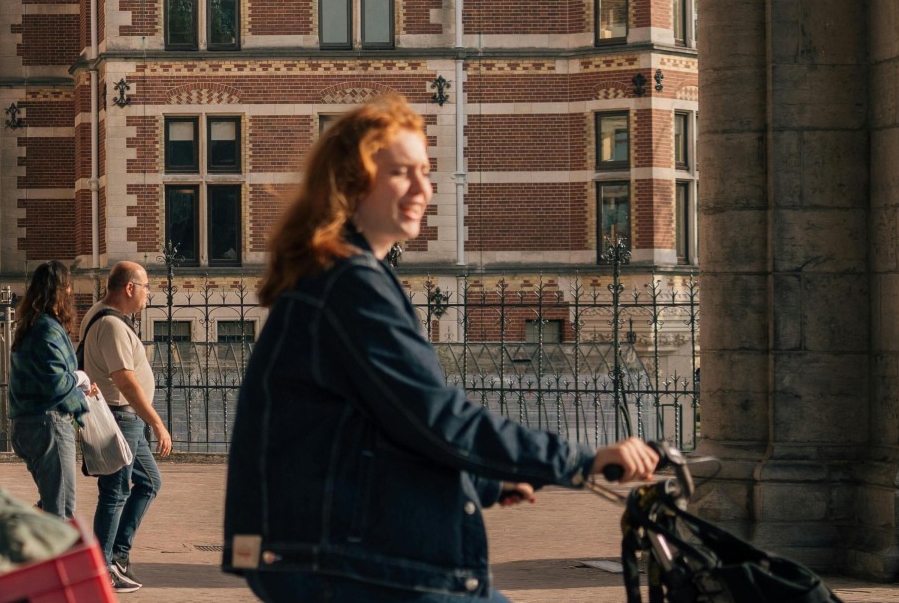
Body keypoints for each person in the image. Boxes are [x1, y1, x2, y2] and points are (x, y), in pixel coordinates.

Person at [222, 95, 661, 602]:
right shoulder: (349, 285)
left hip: (323, 550)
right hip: (341, 559)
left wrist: (487, 482)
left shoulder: (343, 277)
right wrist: (583, 459)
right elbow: (436, 415)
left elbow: (377, 433)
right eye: (401, 172)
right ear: (350, 183)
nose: (423, 189)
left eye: (426, 172)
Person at [81, 261, 170, 593]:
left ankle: (117, 555)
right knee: (114, 494)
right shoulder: (112, 326)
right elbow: (125, 381)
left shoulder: (101, 315)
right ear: (129, 288)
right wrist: (158, 422)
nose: (149, 293)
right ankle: (103, 569)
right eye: (146, 286)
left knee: (149, 482)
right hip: (121, 417)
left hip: (126, 419)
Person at [8, 259, 98, 517]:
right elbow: (55, 382)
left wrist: (76, 388)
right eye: (67, 287)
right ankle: (28, 548)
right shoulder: (47, 329)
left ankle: (27, 546)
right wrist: (79, 378)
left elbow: (41, 379)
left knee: (51, 504)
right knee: (61, 510)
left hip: (27, 423)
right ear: (59, 291)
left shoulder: (28, 327)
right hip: (49, 424)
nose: (70, 293)